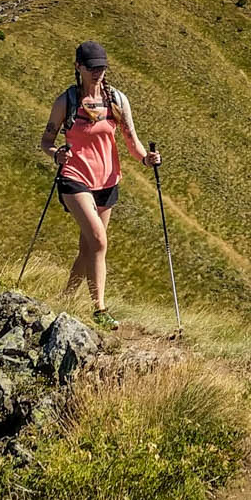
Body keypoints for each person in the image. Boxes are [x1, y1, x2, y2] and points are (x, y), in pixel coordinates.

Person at [40, 40, 158, 328]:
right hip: (74, 178)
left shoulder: (116, 100)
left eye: (102, 67)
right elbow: (46, 140)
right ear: (78, 67)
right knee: (99, 240)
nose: (98, 73)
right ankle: (100, 310)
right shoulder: (65, 102)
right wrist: (57, 154)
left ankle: (65, 299)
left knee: (88, 247)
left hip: (107, 181)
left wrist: (146, 159)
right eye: (92, 68)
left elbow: (131, 140)